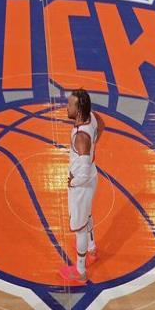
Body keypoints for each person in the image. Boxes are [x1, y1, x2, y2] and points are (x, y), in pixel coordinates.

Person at [59, 88, 105, 284]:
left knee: (80, 228)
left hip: (82, 185)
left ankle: (80, 271)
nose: (66, 107)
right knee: (87, 216)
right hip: (92, 177)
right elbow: (102, 125)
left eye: (70, 105)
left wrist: (73, 182)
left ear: (78, 110)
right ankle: (92, 247)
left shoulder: (81, 137)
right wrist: (94, 144)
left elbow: (83, 174)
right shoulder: (91, 117)